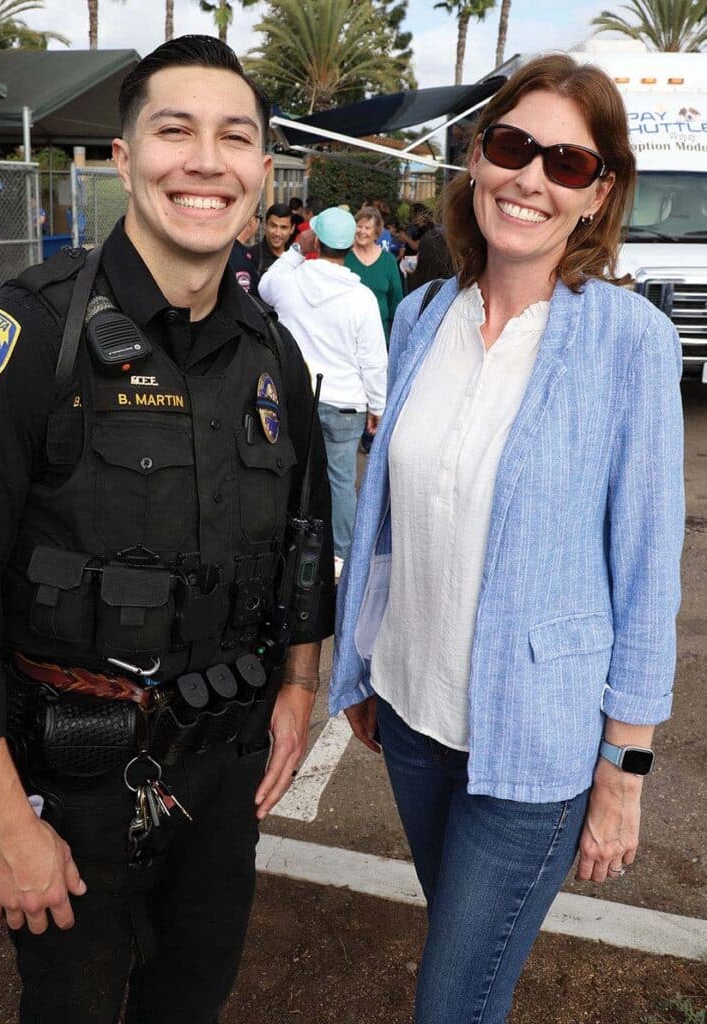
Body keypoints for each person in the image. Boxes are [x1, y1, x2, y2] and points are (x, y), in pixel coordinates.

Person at [0, 35, 335, 1024]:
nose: (205, 160)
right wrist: (4, 823)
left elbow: (307, 531)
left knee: (191, 1000)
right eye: (175, 131)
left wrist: (300, 681)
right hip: (68, 779)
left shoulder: (275, 359)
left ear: (263, 170)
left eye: (235, 137)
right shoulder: (22, 341)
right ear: (125, 159)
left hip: (222, 775)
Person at [330, 54, 683, 1024]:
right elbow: (392, 509)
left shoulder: (629, 342)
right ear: (477, 161)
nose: (531, 176)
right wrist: (363, 661)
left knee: (452, 1002)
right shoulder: (420, 315)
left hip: (536, 745)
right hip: (409, 717)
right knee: (469, 953)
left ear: (598, 192)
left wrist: (625, 776)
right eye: (512, 145)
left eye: (566, 162)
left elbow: (648, 575)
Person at [259, 207, 387, 580]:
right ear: (348, 246)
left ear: (314, 240)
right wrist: (377, 405)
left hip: (296, 396)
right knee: (341, 480)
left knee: (292, 472)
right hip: (346, 401)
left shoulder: (291, 281)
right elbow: (373, 360)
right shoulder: (360, 297)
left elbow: (267, 284)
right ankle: (339, 556)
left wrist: (297, 251)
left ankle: (288, 541)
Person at [344, 205, 404, 342]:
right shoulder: (345, 256)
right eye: (359, 226)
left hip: (380, 335)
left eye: (367, 228)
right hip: (349, 334)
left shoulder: (388, 260)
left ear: (376, 233)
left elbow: (396, 300)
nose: (362, 231)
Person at [251, 201, 294, 275]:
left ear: (292, 229)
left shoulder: (296, 258)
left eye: (283, 228)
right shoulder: (251, 257)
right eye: (273, 226)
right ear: (265, 225)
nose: (277, 233)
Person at [230, 210, 261, 295]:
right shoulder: (239, 257)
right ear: (251, 219)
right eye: (259, 219)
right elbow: (244, 298)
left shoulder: (230, 249)